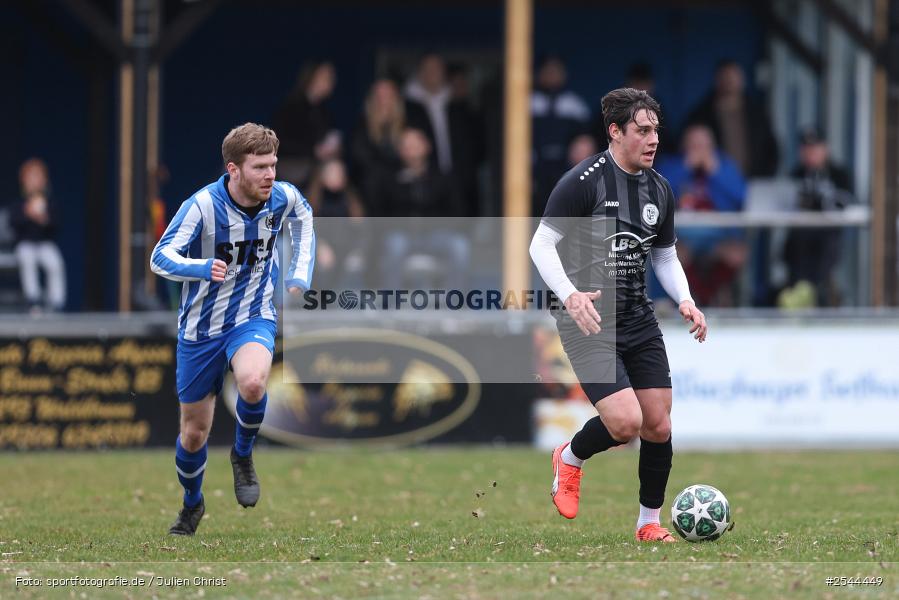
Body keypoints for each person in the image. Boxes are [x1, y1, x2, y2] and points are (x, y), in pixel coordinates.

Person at [529, 88, 707, 542]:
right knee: (625, 423)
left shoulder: (660, 189)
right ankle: (569, 457)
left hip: (636, 317)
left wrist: (685, 298)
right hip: (587, 319)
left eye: (656, 131)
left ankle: (649, 524)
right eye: (642, 131)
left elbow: (664, 256)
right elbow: (540, 245)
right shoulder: (582, 181)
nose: (653, 140)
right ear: (615, 132)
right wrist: (570, 296)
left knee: (659, 423)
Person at [150, 123, 315, 536]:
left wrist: (299, 271)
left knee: (254, 382)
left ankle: (242, 456)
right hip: (201, 329)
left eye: (273, 165)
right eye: (260, 167)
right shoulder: (202, 206)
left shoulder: (281, 197)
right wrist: (201, 267)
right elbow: (160, 256)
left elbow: (305, 215)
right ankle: (192, 503)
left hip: (253, 315)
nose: (270, 175)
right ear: (233, 169)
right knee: (193, 434)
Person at [656, 124, 747, 306]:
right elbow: (658, 195)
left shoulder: (724, 166)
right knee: (670, 256)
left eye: (705, 145)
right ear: (685, 146)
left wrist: (715, 171)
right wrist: (686, 167)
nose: (700, 151)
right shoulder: (673, 165)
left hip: (720, 235)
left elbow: (740, 197)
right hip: (682, 236)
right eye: (695, 145)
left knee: (737, 254)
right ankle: (691, 300)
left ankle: (714, 300)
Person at [781, 128, 854, 306]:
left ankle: (818, 295)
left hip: (827, 235)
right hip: (800, 237)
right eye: (806, 149)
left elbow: (845, 202)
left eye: (814, 148)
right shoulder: (795, 174)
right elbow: (785, 203)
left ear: (825, 149)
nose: (810, 154)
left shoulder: (838, 174)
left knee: (825, 250)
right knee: (795, 245)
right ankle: (799, 293)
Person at [531, 55, 591, 215]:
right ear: (539, 73)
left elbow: (585, 140)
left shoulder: (575, 104)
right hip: (536, 169)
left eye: (556, 70)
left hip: (566, 168)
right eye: (547, 70)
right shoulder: (528, 102)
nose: (552, 74)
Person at [11, 158, 66, 313]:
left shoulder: (49, 203)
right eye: (30, 177)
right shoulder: (20, 204)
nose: (34, 181)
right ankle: (33, 300)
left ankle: (56, 302)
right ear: (23, 181)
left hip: (44, 244)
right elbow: (13, 224)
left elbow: (56, 225)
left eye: (38, 177)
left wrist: (44, 219)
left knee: (54, 262)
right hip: (25, 245)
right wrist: (27, 213)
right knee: (27, 259)